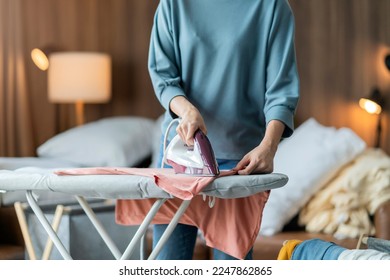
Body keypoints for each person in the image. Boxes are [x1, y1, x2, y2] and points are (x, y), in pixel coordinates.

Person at [147, 0, 300, 260]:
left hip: (239, 163)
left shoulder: (272, 7)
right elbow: (163, 74)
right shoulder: (174, 5)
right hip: (181, 156)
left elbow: (281, 91)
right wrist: (187, 110)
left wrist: (269, 146)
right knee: (166, 264)